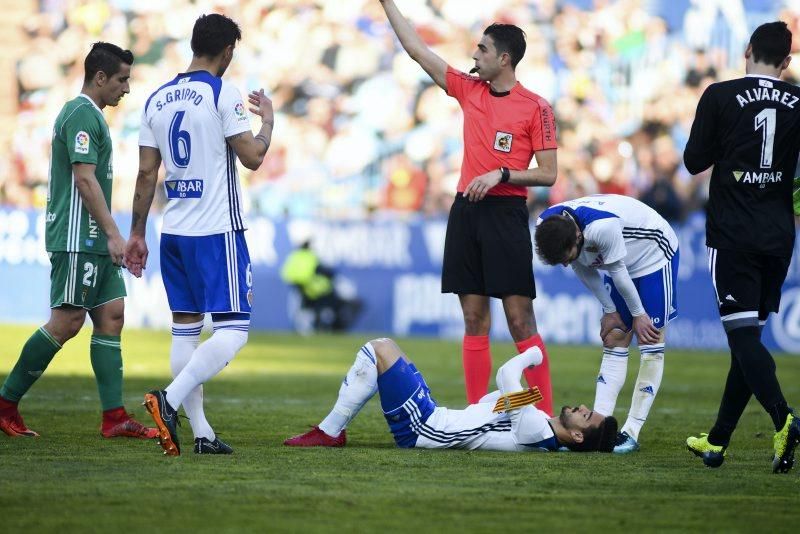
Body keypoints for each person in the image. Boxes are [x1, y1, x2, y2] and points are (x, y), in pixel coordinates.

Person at [378, 0, 558, 413]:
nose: (474, 56)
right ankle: (479, 414)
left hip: (506, 213)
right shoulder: (468, 89)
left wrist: (503, 173)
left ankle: (545, 415)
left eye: (482, 49)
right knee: (474, 320)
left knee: (519, 321)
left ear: (504, 58)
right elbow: (417, 50)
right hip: (466, 213)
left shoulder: (536, 107)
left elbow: (548, 173)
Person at [124, 14, 273, 456]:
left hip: (174, 232)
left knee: (185, 332)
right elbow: (253, 158)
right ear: (227, 50)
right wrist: (268, 121)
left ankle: (202, 434)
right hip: (216, 232)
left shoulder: (156, 98)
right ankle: (167, 401)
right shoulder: (220, 92)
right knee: (234, 331)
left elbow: (146, 173)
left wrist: (137, 233)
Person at [0, 43, 156, 440]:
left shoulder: (95, 118)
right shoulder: (81, 114)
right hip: (77, 237)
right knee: (67, 322)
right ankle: (5, 403)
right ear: (100, 77)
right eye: (122, 79)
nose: (126, 88)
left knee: (112, 316)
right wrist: (113, 233)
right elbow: (84, 179)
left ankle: (114, 417)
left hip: (94, 239)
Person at [683, 21, 800, 473]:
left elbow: (694, 161)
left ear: (747, 50)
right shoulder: (798, 101)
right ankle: (717, 441)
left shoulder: (720, 94)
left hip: (734, 232)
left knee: (743, 336)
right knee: (746, 340)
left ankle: (784, 417)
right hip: (778, 236)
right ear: (786, 63)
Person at [284, 338, 617, 453]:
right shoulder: (539, 427)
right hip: (434, 417)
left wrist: (532, 355)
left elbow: (505, 375)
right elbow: (488, 404)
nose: (583, 407)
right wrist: (517, 399)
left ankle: (329, 432)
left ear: (576, 436)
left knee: (378, 349)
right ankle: (331, 431)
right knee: (388, 350)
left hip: (424, 428)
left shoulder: (535, 428)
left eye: (586, 416)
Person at [535, 194, 679, 454]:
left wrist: (639, 314)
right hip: (619, 262)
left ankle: (631, 432)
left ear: (577, 237)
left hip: (653, 252)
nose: (566, 263)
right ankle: (598, 429)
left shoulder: (602, 228)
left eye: (566, 256)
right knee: (614, 336)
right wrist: (611, 311)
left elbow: (618, 272)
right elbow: (581, 265)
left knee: (650, 339)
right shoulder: (546, 225)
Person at [280, 240, 362, 333]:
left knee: (327, 310)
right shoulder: (309, 257)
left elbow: (287, 276)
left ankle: (326, 327)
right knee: (327, 310)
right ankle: (330, 328)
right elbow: (323, 272)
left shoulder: (293, 257)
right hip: (316, 293)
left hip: (311, 293)